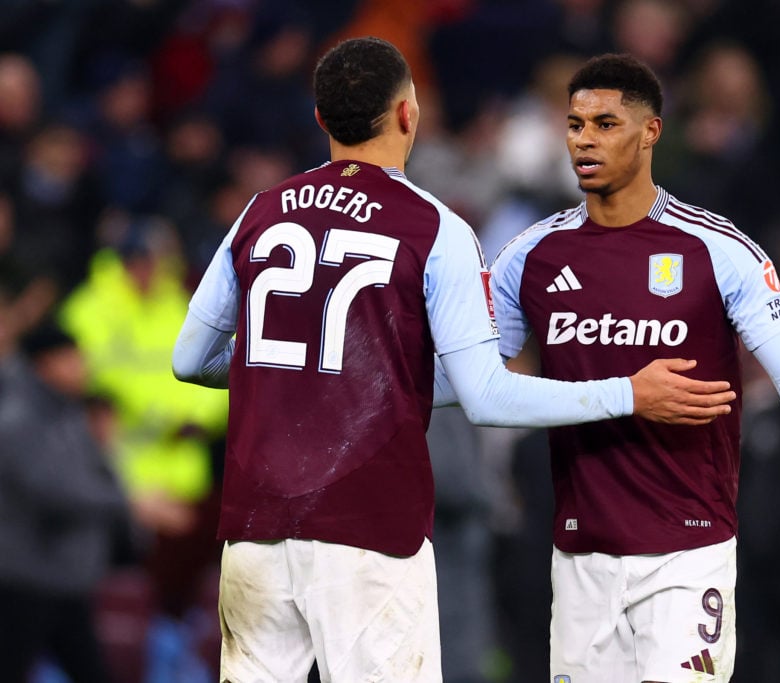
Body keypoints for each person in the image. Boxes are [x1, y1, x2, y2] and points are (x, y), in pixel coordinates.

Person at [171, 36, 736, 683]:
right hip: (369, 532)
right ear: (407, 113)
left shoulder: (260, 210)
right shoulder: (432, 227)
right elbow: (486, 396)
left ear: (322, 117)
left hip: (257, 528)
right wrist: (628, 392)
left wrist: (302, 375)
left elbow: (191, 359)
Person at [488, 53, 780, 683]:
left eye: (606, 124)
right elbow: (479, 388)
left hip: (687, 553)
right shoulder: (528, 256)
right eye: (575, 124)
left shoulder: (718, 250)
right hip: (580, 558)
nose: (584, 140)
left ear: (651, 132)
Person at [0, 317, 133, 683]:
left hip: (63, 578)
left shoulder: (68, 413)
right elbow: (55, 490)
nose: (82, 367)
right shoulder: (18, 419)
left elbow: (92, 474)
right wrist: (129, 503)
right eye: (72, 359)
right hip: (24, 579)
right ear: (45, 364)